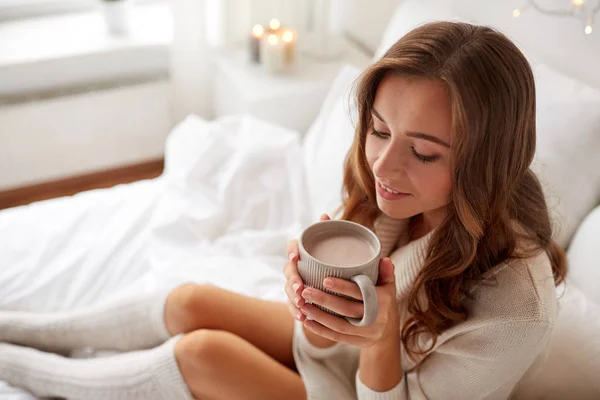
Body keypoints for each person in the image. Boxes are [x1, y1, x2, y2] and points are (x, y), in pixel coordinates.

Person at [0, 21, 566, 399]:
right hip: (345, 360)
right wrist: (313, 310)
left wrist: (380, 334)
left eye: (422, 152)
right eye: (378, 129)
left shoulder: (516, 311)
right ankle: (19, 330)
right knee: (190, 300)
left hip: (371, 388)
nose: (383, 167)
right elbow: (317, 349)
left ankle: (19, 369)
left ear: (485, 160)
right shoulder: (399, 198)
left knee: (203, 354)